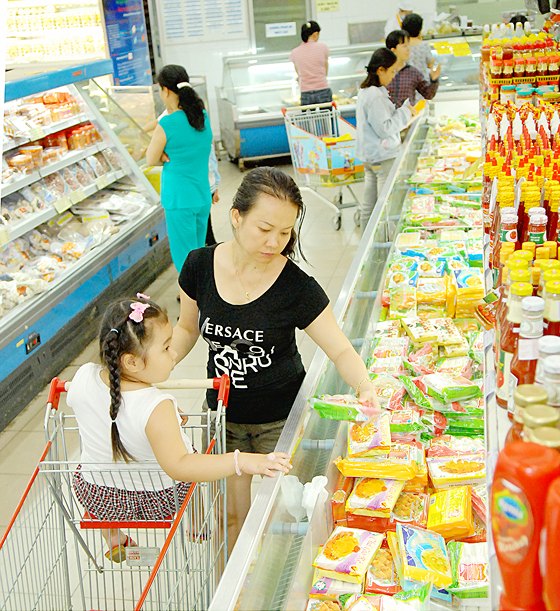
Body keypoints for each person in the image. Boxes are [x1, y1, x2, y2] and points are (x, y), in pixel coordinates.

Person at [172, 167, 382, 552]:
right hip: (223, 419)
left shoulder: (296, 288)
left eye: (285, 233)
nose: (275, 242)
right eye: (264, 228)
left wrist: (365, 386)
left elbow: (339, 348)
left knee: (280, 522)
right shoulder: (199, 266)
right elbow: (187, 329)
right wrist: (163, 362)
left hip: (280, 424)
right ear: (236, 217)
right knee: (228, 517)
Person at [67, 294, 292, 562]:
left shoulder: (83, 376)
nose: (174, 353)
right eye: (165, 348)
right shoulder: (157, 406)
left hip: (98, 495)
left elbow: (107, 410)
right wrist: (241, 461)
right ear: (132, 362)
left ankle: (112, 534)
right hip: (158, 499)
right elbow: (180, 466)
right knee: (191, 453)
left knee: (88, 464)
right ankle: (196, 523)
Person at [146, 65, 213, 273]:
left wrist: (164, 155)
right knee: (198, 253)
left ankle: (194, 303)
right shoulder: (202, 116)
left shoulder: (167, 123)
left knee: (185, 260)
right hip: (201, 196)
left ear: (166, 90)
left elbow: (150, 159)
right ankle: (202, 298)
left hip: (179, 199)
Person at [355, 48, 417, 231]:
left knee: (370, 203)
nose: (394, 76)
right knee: (384, 205)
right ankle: (382, 247)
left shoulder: (367, 91)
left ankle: (366, 246)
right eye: (391, 71)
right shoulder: (375, 95)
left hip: (370, 155)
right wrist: (406, 112)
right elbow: (385, 128)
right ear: (380, 70)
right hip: (382, 155)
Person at [386, 29, 440, 108]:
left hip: (409, 118)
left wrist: (434, 80)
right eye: (404, 46)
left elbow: (428, 94)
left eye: (408, 45)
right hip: (387, 118)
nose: (409, 49)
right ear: (393, 50)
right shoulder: (383, 72)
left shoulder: (412, 72)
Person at [290, 21, 331, 106]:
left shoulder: (295, 52)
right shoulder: (323, 48)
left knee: (308, 119)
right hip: (323, 89)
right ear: (315, 34)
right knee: (326, 118)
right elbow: (325, 69)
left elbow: (299, 73)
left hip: (305, 92)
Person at [401, 13, 434, 81]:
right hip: (422, 84)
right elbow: (430, 64)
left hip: (406, 84)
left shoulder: (400, 46)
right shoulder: (424, 45)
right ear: (420, 30)